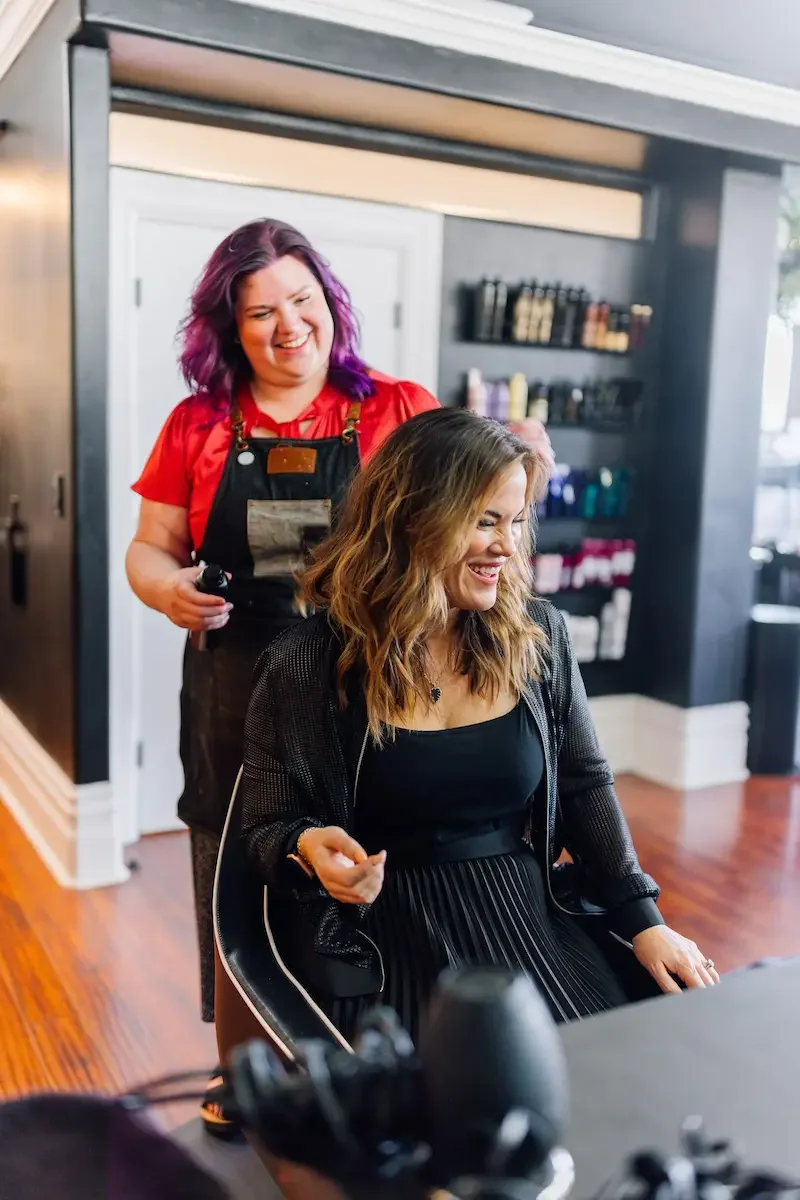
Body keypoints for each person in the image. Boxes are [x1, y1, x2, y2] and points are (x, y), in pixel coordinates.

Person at [126, 216, 554, 1134]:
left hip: (375, 672)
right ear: (227, 327)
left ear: (332, 305)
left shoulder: (396, 405)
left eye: (304, 302)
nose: (288, 327)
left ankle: (374, 1044)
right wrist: (167, 591)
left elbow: (475, 490)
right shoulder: (198, 422)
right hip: (237, 673)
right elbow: (149, 548)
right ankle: (246, 1062)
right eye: (259, 313)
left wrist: (521, 469)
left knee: (361, 852)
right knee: (233, 859)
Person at [239, 409, 719, 1045]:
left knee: (616, 1062)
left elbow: (583, 786)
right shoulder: (306, 662)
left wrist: (645, 920)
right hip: (385, 941)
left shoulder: (538, 636)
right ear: (413, 519)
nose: (509, 546)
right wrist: (308, 846)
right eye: (486, 522)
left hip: (527, 918)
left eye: (517, 522)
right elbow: (265, 822)